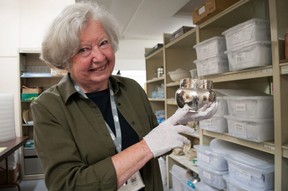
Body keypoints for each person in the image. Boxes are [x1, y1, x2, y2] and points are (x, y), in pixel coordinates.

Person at [31, 2, 217, 191]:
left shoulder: (132, 88)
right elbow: (66, 185)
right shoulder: (48, 107)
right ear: (65, 59)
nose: (100, 57)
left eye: (103, 43)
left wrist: (180, 122)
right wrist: (145, 147)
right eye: (83, 49)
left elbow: (158, 141)